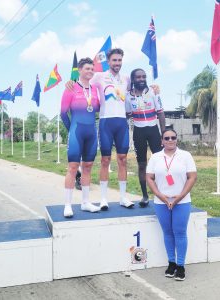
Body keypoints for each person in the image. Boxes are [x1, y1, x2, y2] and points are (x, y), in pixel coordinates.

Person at [66, 48, 134, 210]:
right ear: (108, 62)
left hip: (121, 123)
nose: (117, 63)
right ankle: (103, 198)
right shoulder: (99, 76)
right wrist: (70, 82)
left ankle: (123, 197)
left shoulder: (126, 79)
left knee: (123, 159)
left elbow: (136, 89)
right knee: (105, 160)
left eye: (119, 60)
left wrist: (153, 88)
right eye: (114, 60)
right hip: (105, 122)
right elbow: (83, 81)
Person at [146, 129, 197, 281]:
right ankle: (171, 263)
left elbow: (192, 177)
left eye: (173, 137)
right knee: (167, 233)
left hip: (181, 201)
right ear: (161, 141)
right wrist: (160, 196)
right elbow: (149, 177)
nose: (170, 140)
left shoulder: (185, 156)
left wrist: (179, 197)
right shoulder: (155, 157)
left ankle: (181, 266)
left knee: (180, 233)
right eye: (166, 138)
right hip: (161, 202)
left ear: (177, 139)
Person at [60, 57, 101, 218]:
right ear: (79, 70)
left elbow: (98, 107)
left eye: (92, 69)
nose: (90, 71)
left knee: (88, 167)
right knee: (72, 168)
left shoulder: (95, 89)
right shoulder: (70, 88)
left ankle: (85, 203)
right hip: (76, 132)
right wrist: (71, 131)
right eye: (87, 69)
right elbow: (63, 113)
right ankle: (68, 205)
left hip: (91, 133)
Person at [126, 68, 165, 207]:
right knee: (142, 165)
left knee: (160, 163)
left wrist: (164, 134)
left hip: (154, 130)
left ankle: (162, 194)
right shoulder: (128, 96)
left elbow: (160, 113)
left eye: (144, 76)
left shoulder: (153, 91)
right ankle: (144, 196)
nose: (142, 79)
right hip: (139, 132)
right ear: (133, 79)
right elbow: (127, 114)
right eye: (138, 77)